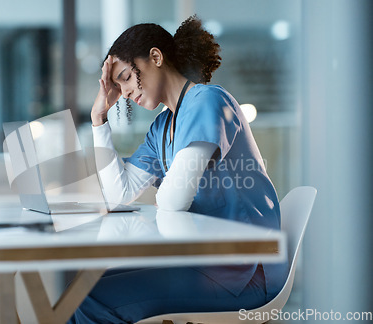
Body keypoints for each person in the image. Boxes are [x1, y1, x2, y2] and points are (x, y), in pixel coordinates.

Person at [68, 15, 288, 323]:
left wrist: (165, 195)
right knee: (83, 284)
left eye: (127, 76)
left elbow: (174, 200)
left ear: (155, 57)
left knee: (91, 298)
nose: (125, 92)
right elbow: (120, 194)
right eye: (118, 85)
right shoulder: (163, 127)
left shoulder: (208, 101)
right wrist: (98, 118)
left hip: (245, 271)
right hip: (204, 262)